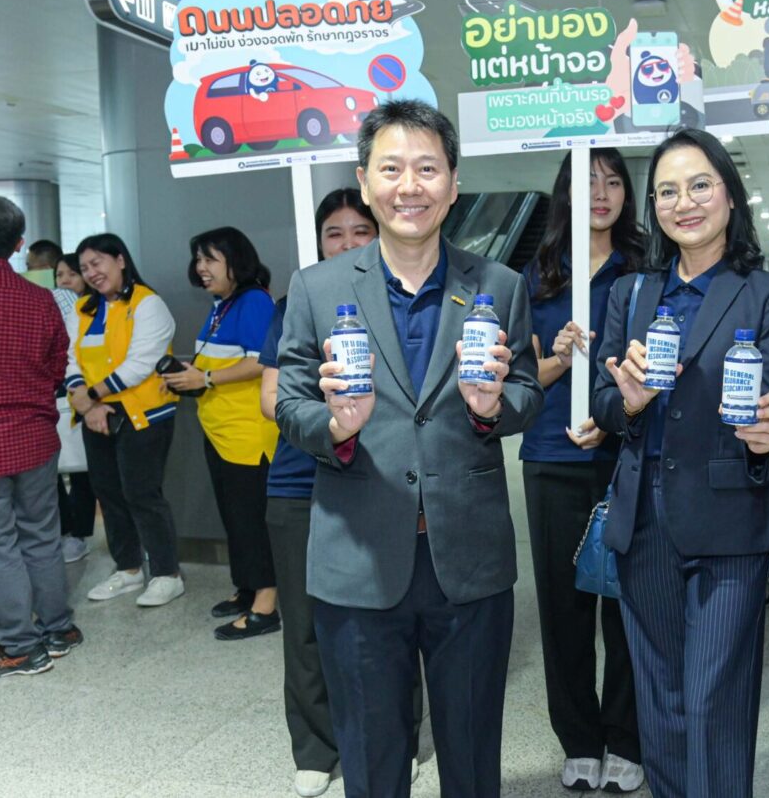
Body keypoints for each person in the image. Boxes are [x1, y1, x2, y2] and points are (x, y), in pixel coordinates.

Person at [276, 99, 543, 798]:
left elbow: (526, 391)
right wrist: (336, 426)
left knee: (472, 753)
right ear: (365, 182)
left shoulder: (500, 285)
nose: (409, 186)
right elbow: (291, 404)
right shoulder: (317, 287)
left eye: (427, 168)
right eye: (391, 168)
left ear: (453, 184)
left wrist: (493, 408)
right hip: (359, 556)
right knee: (372, 757)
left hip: (469, 557)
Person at [594, 128, 769, 798]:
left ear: (730, 196)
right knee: (660, 696)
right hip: (642, 515)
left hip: (728, 514)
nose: (685, 203)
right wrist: (629, 402)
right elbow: (603, 401)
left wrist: (768, 436)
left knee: (714, 697)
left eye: (700, 185)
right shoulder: (631, 293)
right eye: (667, 192)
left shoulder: (765, 291)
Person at [259, 188, 421, 798]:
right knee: (305, 626)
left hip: (382, 482)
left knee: (392, 615)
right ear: (318, 239)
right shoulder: (298, 300)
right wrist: (329, 417)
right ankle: (316, 747)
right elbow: (271, 397)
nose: (348, 242)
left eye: (360, 230)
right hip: (301, 482)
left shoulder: (402, 297)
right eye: (335, 232)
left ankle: (399, 738)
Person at [521, 150, 646, 792]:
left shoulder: (645, 268)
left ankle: (626, 737)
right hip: (552, 456)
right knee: (563, 608)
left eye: (613, 181)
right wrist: (558, 359)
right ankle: (578, 738)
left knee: (627, 603)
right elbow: (522, 378)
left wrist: (613, 416)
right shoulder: (538, 274)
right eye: (587, 182)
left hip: (626, 455)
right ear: (565, 193)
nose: (601, 193)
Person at [0, 196, 80, 678]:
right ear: (19, 243)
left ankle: (21, 647)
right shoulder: (39, 298)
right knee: (42, 535)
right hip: (34, 438)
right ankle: (59, 628)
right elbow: (57, 366)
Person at [163, 227, 280, 639]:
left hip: (248, 435)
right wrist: (192, 376)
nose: (201, 267)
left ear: (236, 260)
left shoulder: (254, 301)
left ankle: (266, 605)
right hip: (220, 432)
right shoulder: (223, 304)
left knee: (251, 520)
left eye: (210, 259)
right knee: (235, 517)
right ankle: (247, 587)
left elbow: (261, 362)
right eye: (198, 259)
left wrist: (207, 378)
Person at [68, 233, 185, 607]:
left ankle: (167, 574)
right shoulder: (83, 309)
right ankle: (129, 569)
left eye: (97, 263)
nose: (92, 273)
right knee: (108, 493)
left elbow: (141, 362)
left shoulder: (148, 304)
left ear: (120, 260)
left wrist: (91, 395)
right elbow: (71, 359)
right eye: (84, 268)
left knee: (142, 494)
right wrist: (88, 405)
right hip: (97, 413)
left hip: (144, 414)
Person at [53, 253, 96, 564]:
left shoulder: (89, 309)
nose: (65, 281)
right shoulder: (58, 303)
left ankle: (78, 534)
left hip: (89, 395)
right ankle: (65, 531)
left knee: (83, 471)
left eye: (72, 274)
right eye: (60, 275)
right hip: (58, 395)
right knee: (55, 470)